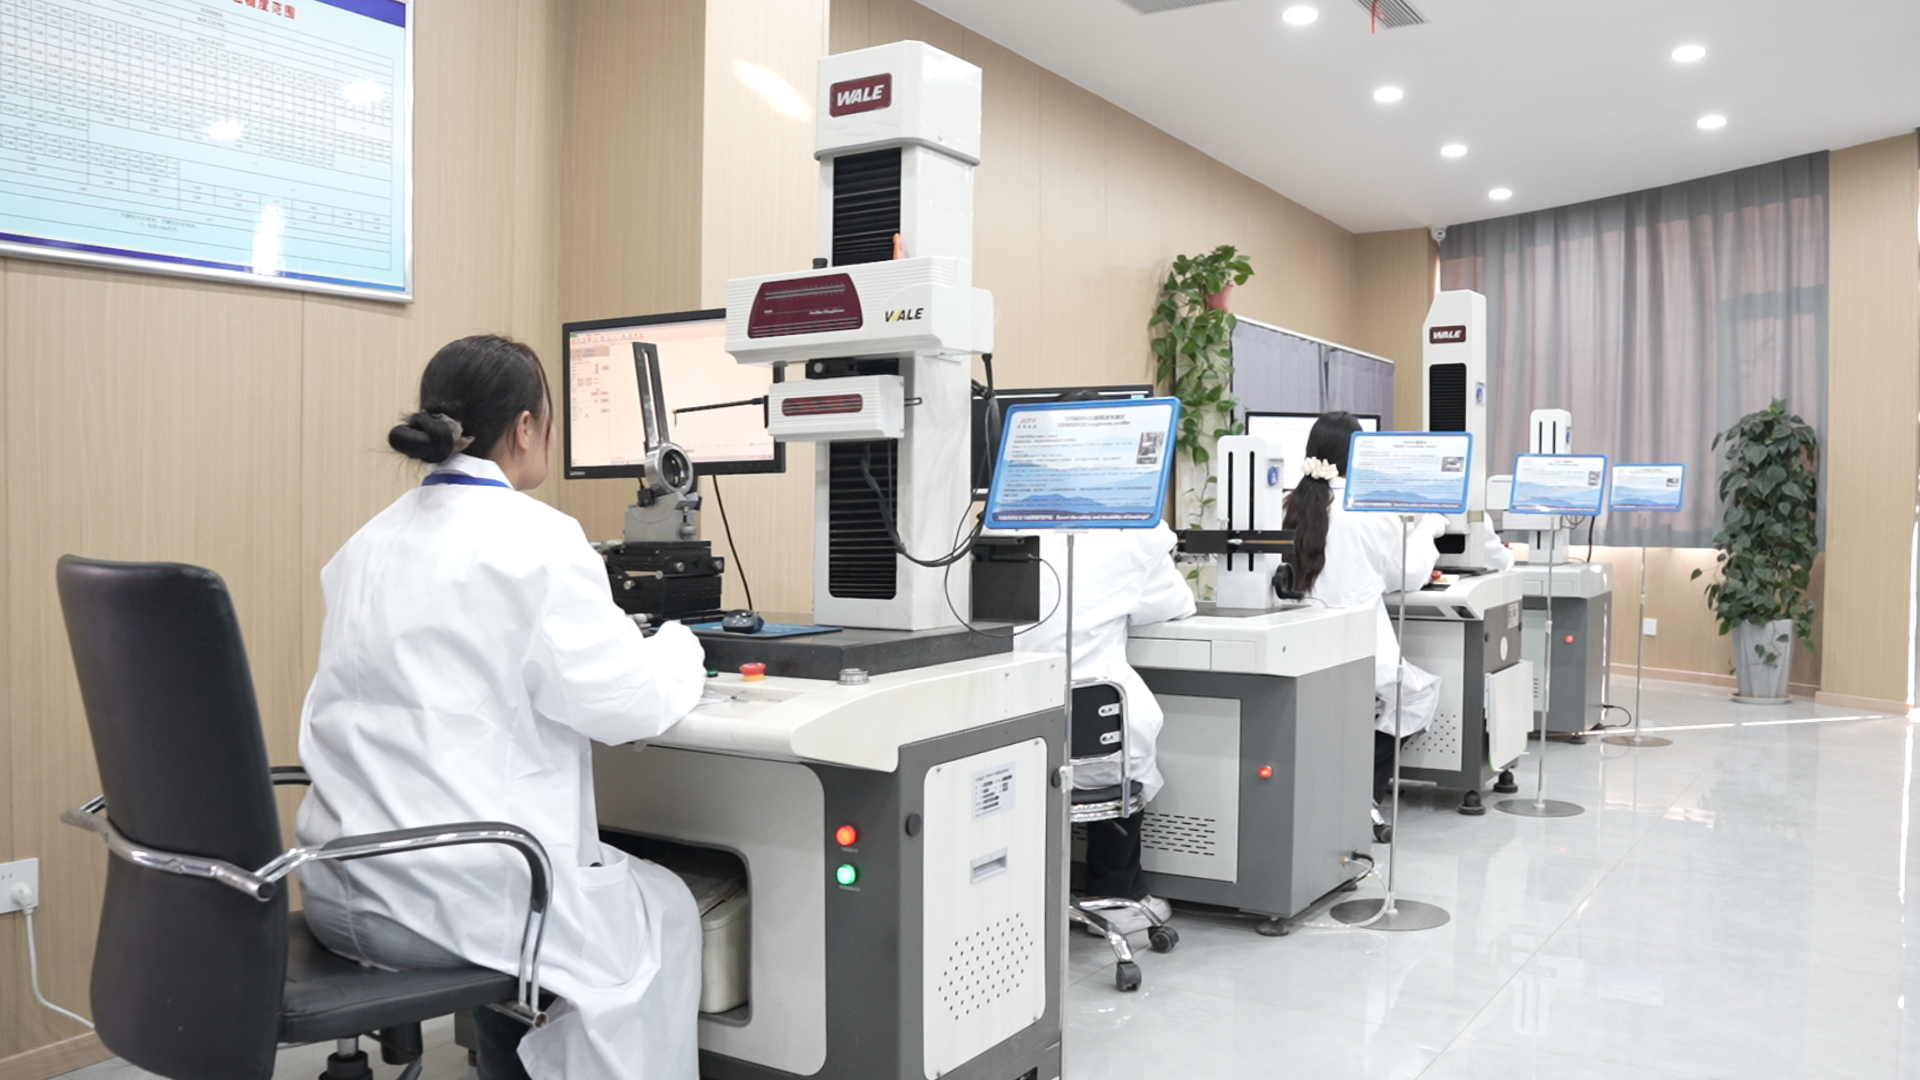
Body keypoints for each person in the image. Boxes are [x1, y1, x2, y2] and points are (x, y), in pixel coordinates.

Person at [294, 335, 709, 1080]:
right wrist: (682, 646)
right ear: (524, 427)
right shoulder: (536, 537)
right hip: (452, 901)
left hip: (337, 883)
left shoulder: (365, 543)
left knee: (583, 898)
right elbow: (626, 702)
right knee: (666, 911)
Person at [1281, 412, 1510, 841]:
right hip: (1357, 647)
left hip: (1299, 647)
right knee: (1415, 696)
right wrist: (1431, 524)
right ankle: (1363, 791)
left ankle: (1339, 784)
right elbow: (1406, 575)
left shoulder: (1288, 506)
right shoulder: (1367, 510)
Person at [1017, 504, 1195, 935]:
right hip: (1094, 737)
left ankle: (1022, 898)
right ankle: (1117, 896)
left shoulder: (1009, 528)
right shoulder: (1135, 532)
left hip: (1012, 731)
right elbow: (1175, 604)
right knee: (1125, 746)